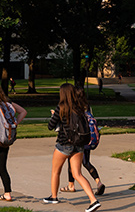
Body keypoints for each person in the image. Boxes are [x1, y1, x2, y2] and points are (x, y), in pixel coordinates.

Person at [44, 83, 101, 212]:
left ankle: (54, 196)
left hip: (64, 144)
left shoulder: (61, 107)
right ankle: (93, 200)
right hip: (79, 144)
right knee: (78, 174)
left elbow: (50, 126)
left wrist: (54, 115)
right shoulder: (79, 107)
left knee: (55, 171)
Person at [60, 87, 106, 196]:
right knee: (86, 162)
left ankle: (71, 186)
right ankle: (98, 182)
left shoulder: (75, 106)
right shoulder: (86, 105)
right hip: (88, 139)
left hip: (77, 140)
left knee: (71, 163)